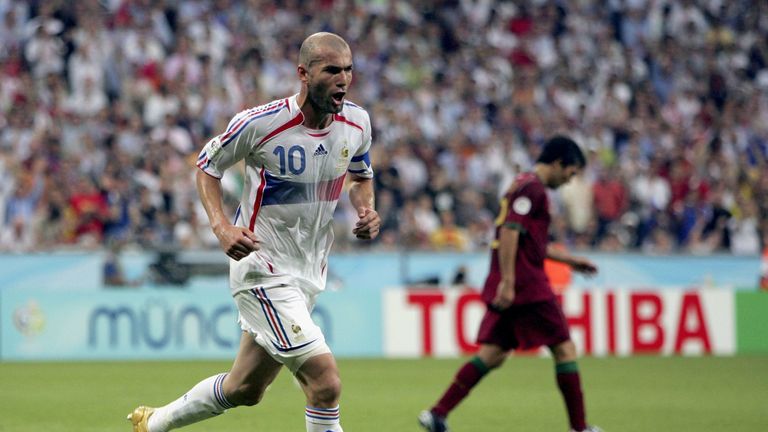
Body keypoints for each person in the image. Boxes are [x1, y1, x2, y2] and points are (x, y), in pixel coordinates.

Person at [127, 32, 380, 432]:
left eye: (348, 70)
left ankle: (153, 423)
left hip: (309, 272)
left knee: (245, 387)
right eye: (332, 70)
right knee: (325, 383)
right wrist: (221, 227)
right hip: (261, 269)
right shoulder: (260, 124)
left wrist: (365, 209)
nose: (343, 79)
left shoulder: (357, 122)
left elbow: (361, 176)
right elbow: (207, 166)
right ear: (303, 73)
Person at [418, 136, 601, 432]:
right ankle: (579, 428)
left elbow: (531, 242)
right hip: (527, 285)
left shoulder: (522, 184)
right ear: (558, 163)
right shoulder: (533, 189)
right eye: (571, 172)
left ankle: (437, 413)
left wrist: (570, 262)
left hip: (518, 282)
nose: (570, 180)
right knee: (564, 349)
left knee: (494, 354)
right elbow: (510, 234)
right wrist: (508, 281)